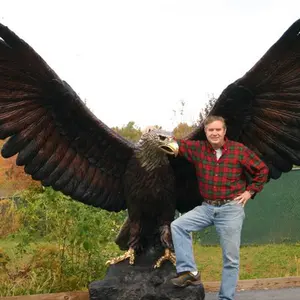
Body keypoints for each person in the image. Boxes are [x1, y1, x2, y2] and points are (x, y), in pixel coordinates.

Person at [170, 115, 269, 300]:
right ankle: (189, 271)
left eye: (218, 130)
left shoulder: (238, 150)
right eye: (210, 130)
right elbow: (175, 143)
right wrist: (152, 132)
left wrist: (250, 192)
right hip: (207, 208)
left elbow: (262, 170)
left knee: (231, 259)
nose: (214, 133)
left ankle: (226, 298)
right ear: (205, 132)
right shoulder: (198, 149)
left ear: (224, 131)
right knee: (178, 225)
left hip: (231, 209)